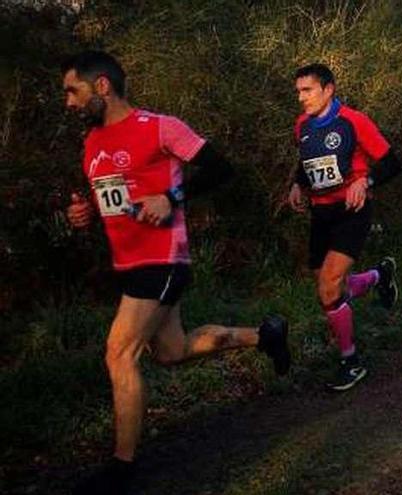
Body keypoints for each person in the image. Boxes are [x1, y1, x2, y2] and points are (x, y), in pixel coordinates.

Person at [62, 50, 291, 494]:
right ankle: (265, 335)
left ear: (102, 86)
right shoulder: (91, 143)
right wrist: (85, 212)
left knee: (119, 352)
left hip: (163, 258)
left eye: (73, 90)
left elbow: (221, 168)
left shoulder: (160, 127)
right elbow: (114, 198)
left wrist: (171, 196)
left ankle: (122, 469)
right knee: (170, 351)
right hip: (128, 264)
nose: (68, 102)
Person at [288, 63, 402, 391]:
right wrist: (298, 185)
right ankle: (380, 276)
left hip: (353, 211)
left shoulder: (354, 121)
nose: (301, 98)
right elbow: (306, 160)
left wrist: (365, 181)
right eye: (298, 91)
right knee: (328, 287)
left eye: (307, 90)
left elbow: (393, 162)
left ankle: (351, 362)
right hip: (321, 214)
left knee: (328, 285)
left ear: (328, 89)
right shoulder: (301, 126)